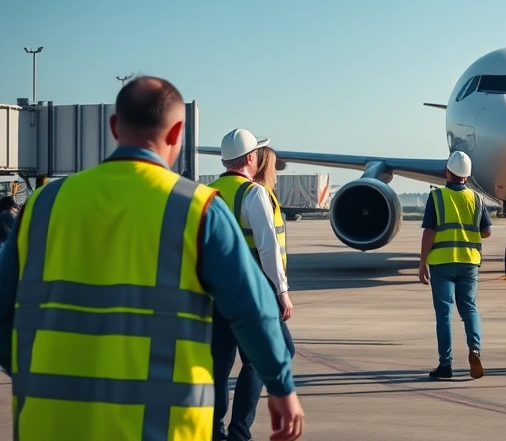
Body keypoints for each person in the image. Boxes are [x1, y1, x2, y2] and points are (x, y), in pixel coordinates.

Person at [0, 75, 304, 441]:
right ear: (177, 133)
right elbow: (254, 312)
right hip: (161, 425)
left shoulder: (43, 205)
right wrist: (282, 387)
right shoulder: (198, 209)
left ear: (114, 127)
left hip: (50, 422)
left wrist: (31, 371)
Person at [208, 129, 295, 441]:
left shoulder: (208, 191)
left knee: (220, 361)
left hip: (216, 292)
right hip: (253, 291)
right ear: (249, 158)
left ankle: (214, 430)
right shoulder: (253, 193)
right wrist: (281, 292)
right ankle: (240, 432)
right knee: (273, 351)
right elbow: (268, 248)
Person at [419, 151, 491, 380]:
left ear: (447, 172)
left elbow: (429, 232)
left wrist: (422, 262)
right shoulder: (477, 198)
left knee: (444, 315)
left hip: (442, 263)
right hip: (469, 263)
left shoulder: (437, 196)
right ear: (467, 176)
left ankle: (445, 365)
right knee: (469, 309)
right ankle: (475, 350)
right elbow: (487, 231)